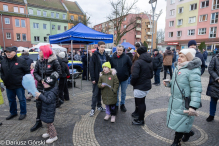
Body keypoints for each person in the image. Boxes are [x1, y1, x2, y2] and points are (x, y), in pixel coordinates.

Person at [164, 48, 202, 146]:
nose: (179, 58)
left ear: (188, 58)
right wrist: (169, 84)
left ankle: (176, 142)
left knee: (181, 121)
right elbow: (176, 82)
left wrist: (193, 106)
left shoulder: (192, 70)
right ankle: (188, 132)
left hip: (184, 102)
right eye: (179, 56)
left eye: (182, 56)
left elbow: (196, 90)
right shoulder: (178, 67)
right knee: (178, 121)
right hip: (175, 100)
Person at [31, 45, 61, 132]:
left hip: (51, 87)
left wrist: (49, 81)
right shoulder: (39, 61)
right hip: (40, 86)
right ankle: (38, 121)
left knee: (49, 105)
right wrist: (41, 80)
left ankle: (50, 123)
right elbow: (35, 72)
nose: (38, 52)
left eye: (40, 51)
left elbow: (59, 72)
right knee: (39, 104)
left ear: (45, 52)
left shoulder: (54, 61)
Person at [1, 46, 30, 120]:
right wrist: (4, 79)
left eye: (9, 52)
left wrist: (24, 81)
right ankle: (13, 112)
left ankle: (23, 113)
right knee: (11, 100)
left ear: (15, 52)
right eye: (6, 52)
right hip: (8, 85)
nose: (8, 54)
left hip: (19, 85)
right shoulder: (3, 61)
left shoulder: (21, 61)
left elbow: (27, 72)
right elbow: (1, 72)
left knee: (21, 99)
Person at [131, 46, 153, 125]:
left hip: (140, 85)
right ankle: (140, 117)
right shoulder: (149, 61)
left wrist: (132, 83)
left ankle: (141, 120)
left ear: (138, 53)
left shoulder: (138, 62)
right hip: (146, 85)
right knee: (142, 102)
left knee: (140, 103)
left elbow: (135, 76)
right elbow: (151, 75)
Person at [35, 74, 59, 144]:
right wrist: (39, 96)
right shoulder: (48, 89)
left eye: (45, 83)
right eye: (44, 82)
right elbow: (44, 97)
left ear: (50, 84)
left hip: (50, 110)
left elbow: (48, 100)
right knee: (48, 123)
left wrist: (40, 96)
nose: (43, 84)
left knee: (50, 124)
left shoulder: (51, 92)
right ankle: (49, 133)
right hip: (47, 110)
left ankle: (54, 136)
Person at [89, 41, 110, 116]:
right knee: (95, 94)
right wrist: (93, 78)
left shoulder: (106, 56)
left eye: (104, 47)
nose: (103, 48)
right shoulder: (94, 55)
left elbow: (109, 67)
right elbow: (91, 67)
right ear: (98, 47)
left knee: (100, 93)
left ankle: (99, 106)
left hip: (104, 78)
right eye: (101, 47)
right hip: (97, 78)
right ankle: (92, 109)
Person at [110, 44, 132, 112]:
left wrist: (128, 74)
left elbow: (130, 66)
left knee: (123, 93)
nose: (119, 51)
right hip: (115, 79)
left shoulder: (126, 57)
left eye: (120, 50)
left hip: (124, 78)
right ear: (116, 50)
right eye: (118, 50)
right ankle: (116, 105)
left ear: (123, 50)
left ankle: (122, 104)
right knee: (116, 92)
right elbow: (110, 67)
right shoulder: (112, 57)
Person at [206, 52, 219, 122]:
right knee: (213, 100)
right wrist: (217, 78)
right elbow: (210, 69)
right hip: (215, 83)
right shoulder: (215, 58)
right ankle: (211, 115)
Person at [131, 53, 140, 119]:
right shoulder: (135, 61)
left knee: (139, 99)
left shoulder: (139, 62)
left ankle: (138, 112)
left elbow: (136, 75)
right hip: (136, 82)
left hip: (138, 82)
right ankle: (136, 110)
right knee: (136, 98)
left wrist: (132, 82)